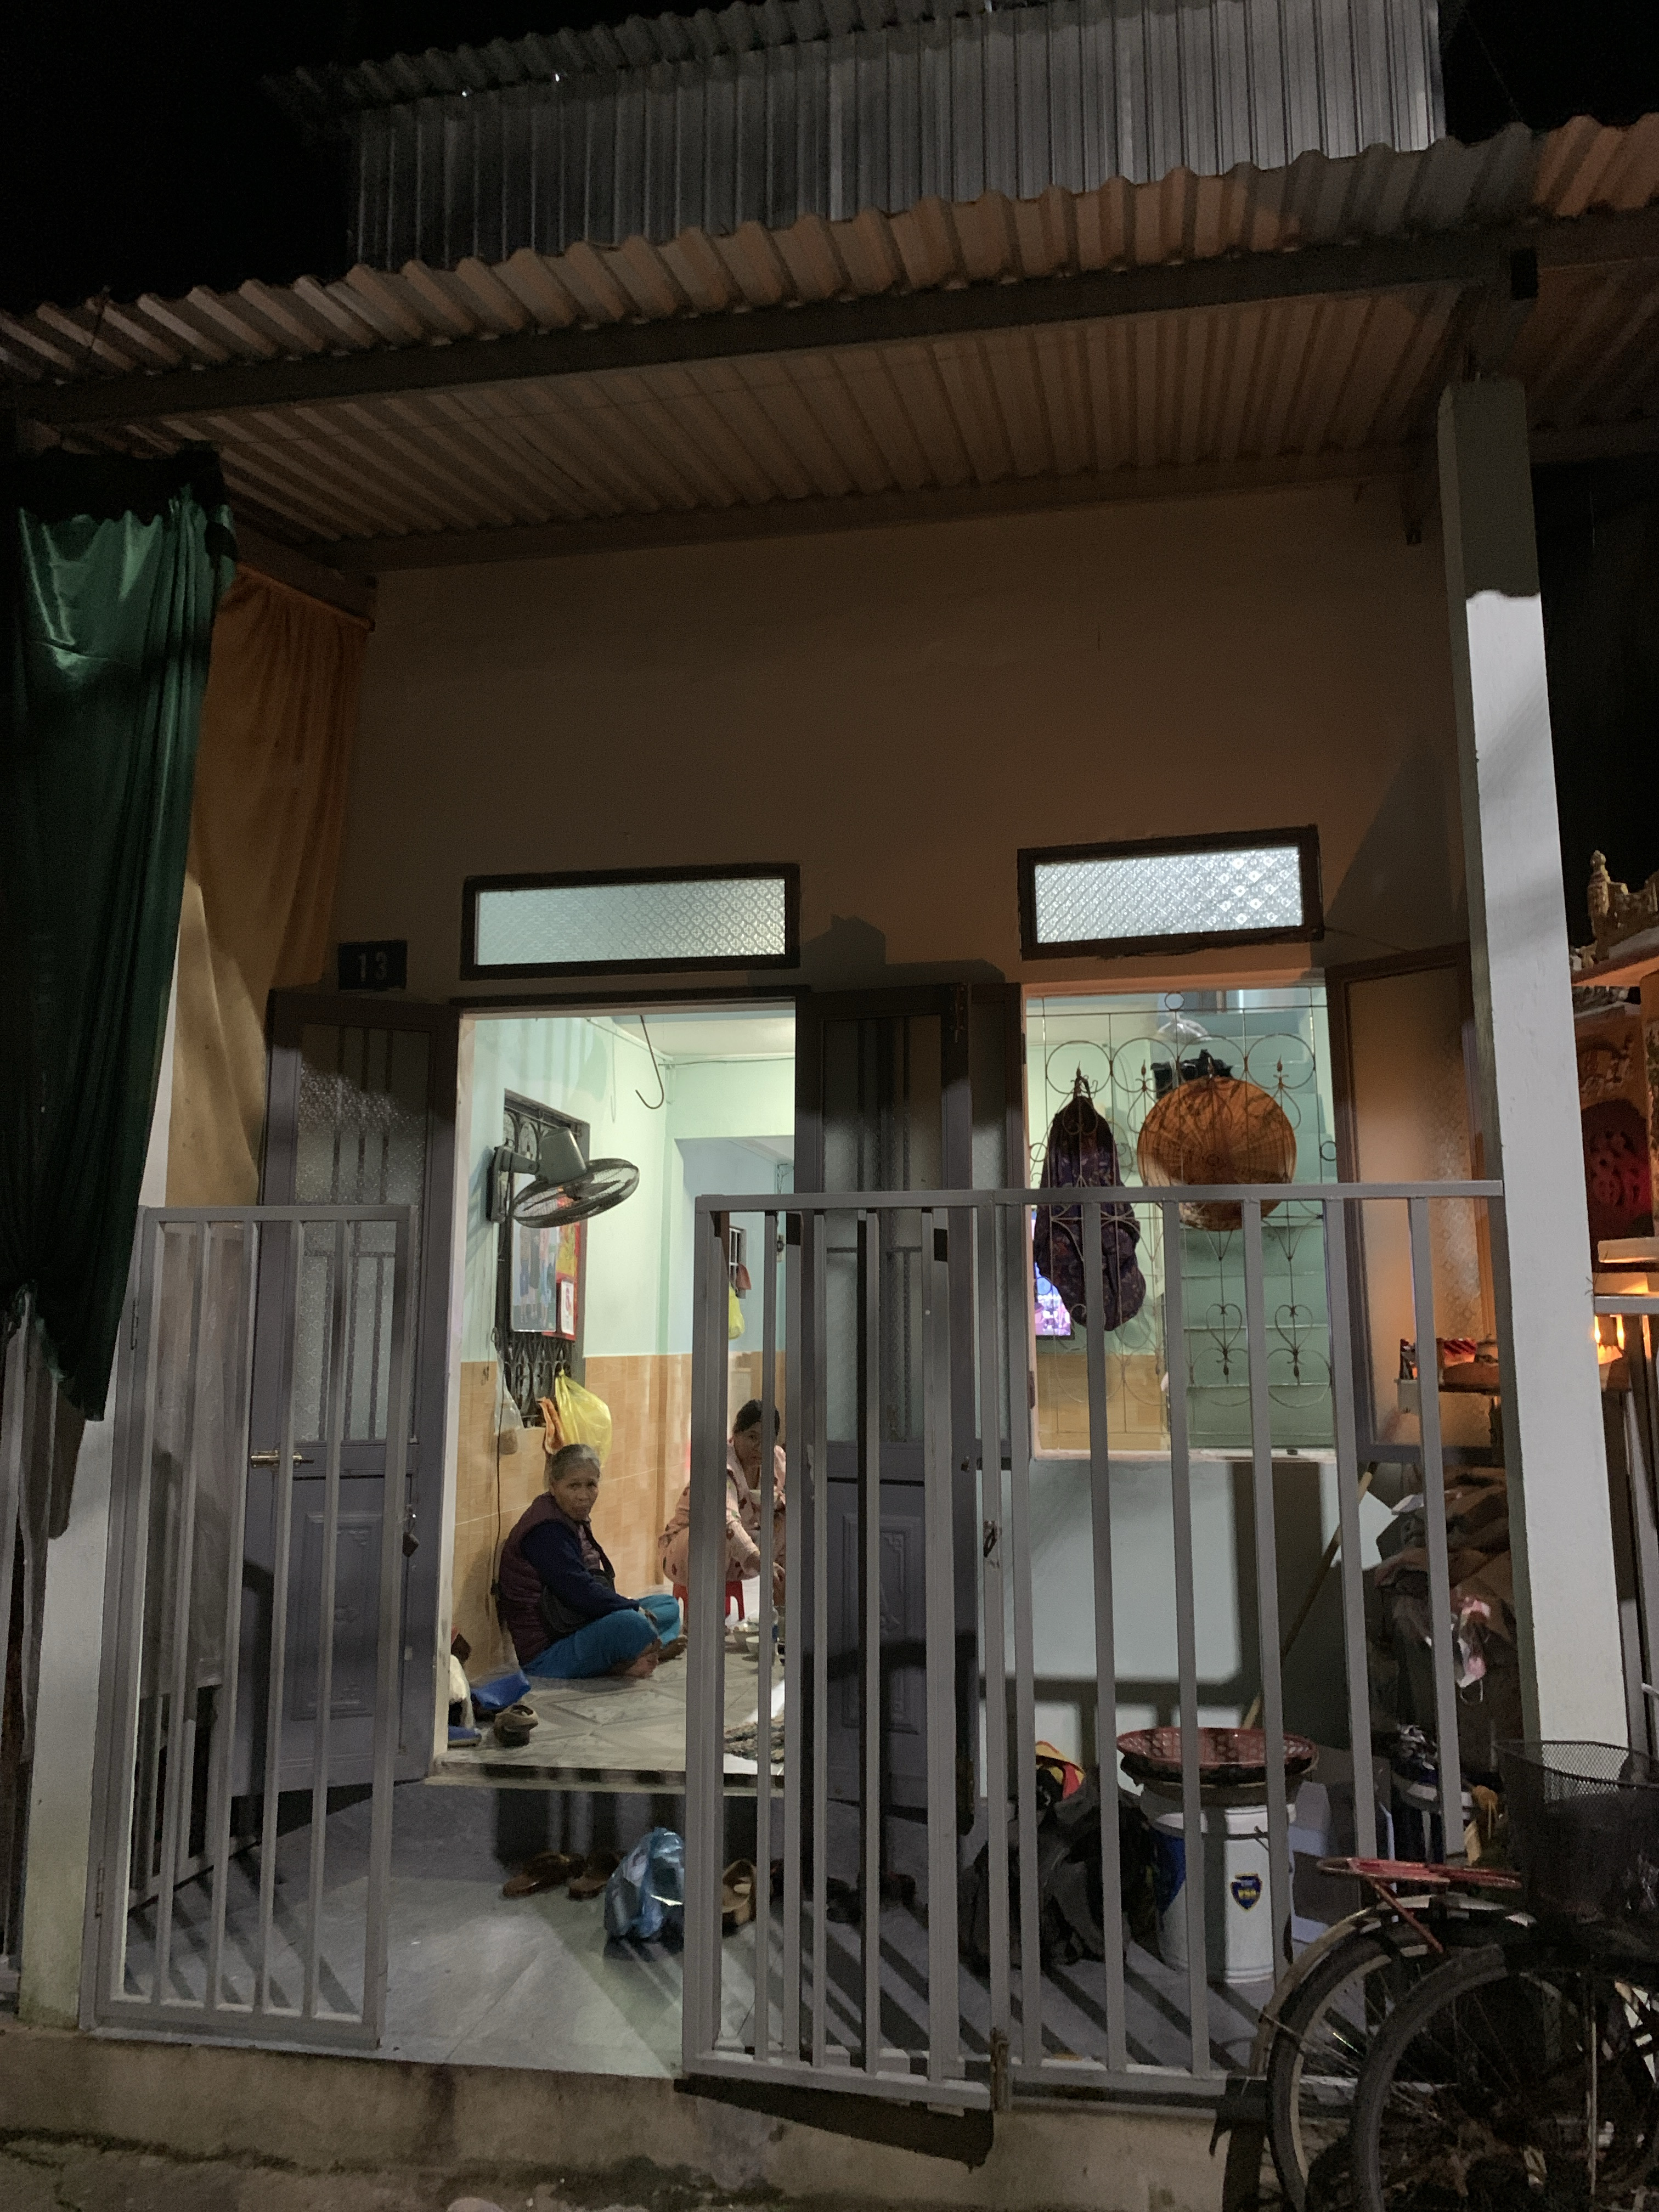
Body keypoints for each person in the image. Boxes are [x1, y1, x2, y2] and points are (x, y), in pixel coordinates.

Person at [498, 1441, 682, 1680]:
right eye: (573, 1486)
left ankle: (643, 1650)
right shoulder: (546, 1530)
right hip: (549, 1654)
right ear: (553, 1486)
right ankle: (634, 1655)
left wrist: (629, 1607)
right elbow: (581, 1592)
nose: (584, 1496)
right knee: (633, 1623)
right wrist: (631, 1608)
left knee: (667, 1605)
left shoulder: (567, 1516)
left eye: (591, 1485)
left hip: (579, 1623)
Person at [659, 1399, 786, 1602]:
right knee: (716, 1532)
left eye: (768, 1440)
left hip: (739, 1557)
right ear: (736, 1434)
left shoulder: (776, 1460)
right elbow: (727, 1520)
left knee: (790, 1524)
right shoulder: (721, 1465)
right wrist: (762, 1563)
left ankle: (782, 1608)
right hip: (687, 1553)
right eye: (752, 1437)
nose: (760, 1448)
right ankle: (701, 1616)